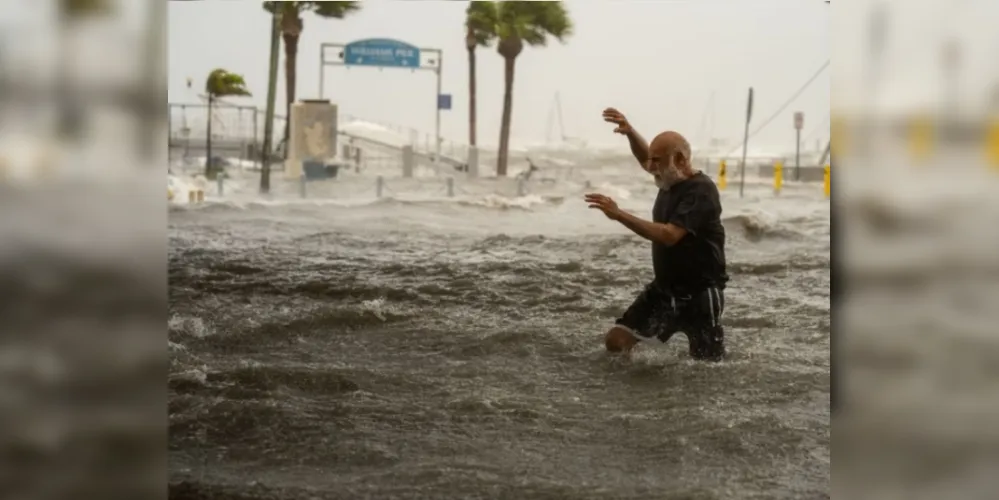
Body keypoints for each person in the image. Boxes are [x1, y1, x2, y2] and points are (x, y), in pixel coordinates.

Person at [584, 108, 728, 361]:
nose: (651, 167)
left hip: (701, 294)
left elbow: (669, 235)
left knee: (706, 367)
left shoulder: (701, 191)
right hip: (663, 290)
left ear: (681, 160)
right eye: (652, 161)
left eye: (658, 161)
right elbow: (645, 159)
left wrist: (619, 215)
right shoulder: (667, 178)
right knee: (616, 342)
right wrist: (630, 133)